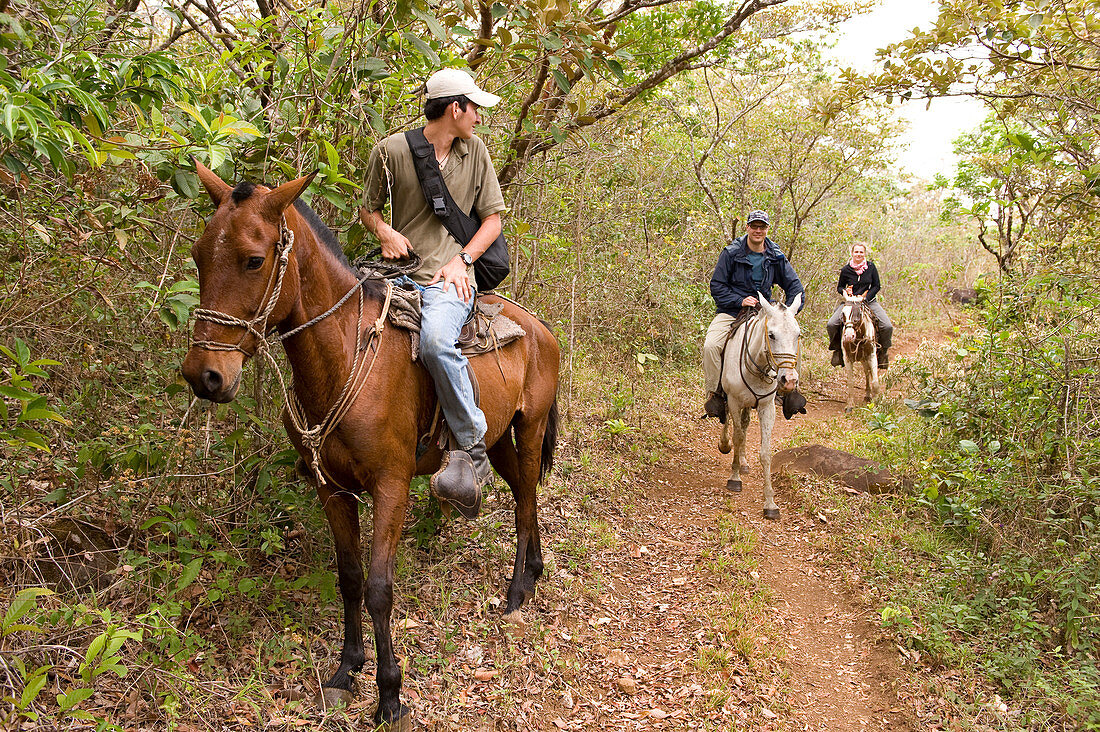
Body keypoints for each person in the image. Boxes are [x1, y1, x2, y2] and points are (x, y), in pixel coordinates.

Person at [360, 68, 506, 519]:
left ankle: (471, 447)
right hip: (396, 273)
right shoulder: (391, 151)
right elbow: (368, 209)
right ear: (454, 108)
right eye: (474, 107)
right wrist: (383, 230)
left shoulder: (475, 152)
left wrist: (463, 260)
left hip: (449, 279)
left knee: (438, 342)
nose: (479, 116)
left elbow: (493, 221)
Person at [702, 210, 806, 422]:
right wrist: (739, 300)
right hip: (732, 311)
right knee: (711, 346)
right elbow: (717, 285)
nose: (758, 230)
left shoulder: (776, 255)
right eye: (754, 226)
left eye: (762, 227)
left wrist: (788, 313)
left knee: (793, 340)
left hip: (763, 311)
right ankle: (715, 395)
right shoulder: (731, 253)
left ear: (767, 229)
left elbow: (795, 286)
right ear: (747, 227)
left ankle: (789, 391)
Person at [826, 241, 893, 370]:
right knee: (832, 324)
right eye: (856, 252)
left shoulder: (871, 267)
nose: (859, 254)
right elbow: (839, 287)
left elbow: (876, 286)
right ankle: (837, 352)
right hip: (850, 302)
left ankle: (883, 353)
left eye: (861, 252)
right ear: (852, 253)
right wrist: (845, 292)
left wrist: (865, 298)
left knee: (887, 326)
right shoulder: (846, 270)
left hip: (869, 302)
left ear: (865, 254)